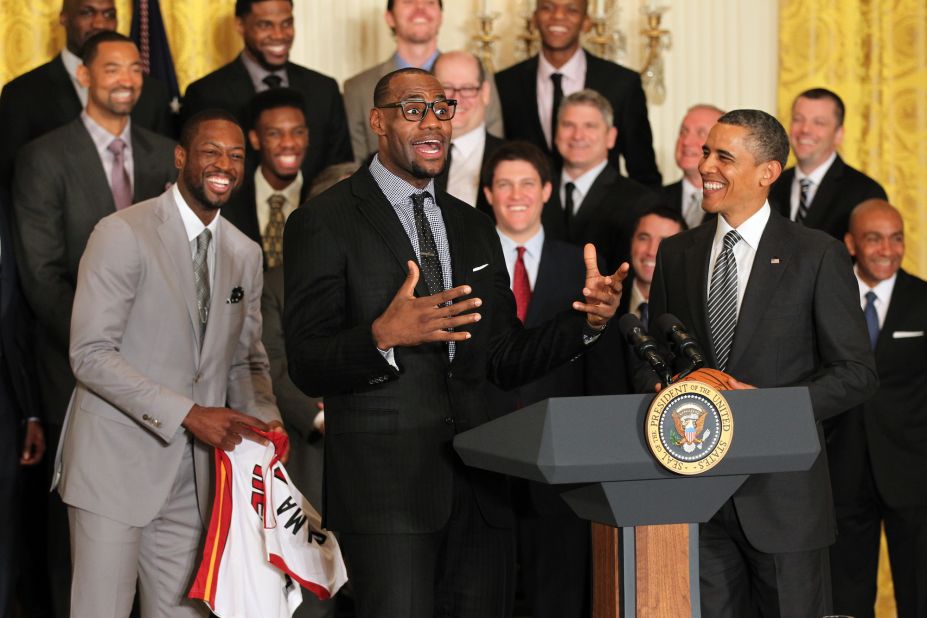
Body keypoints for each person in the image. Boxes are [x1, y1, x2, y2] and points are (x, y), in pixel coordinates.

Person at [282, 67, 626, 618]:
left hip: (480, 491)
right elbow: (306, 362)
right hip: (385, 499)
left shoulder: (472, 225)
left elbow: (504, 358)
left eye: (442, 108)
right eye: (414, 108)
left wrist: (585, 322)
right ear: (377, 121)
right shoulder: (323, 222)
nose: (433, 122)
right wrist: (381, 337)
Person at [639, 109, 878, 617]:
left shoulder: (817, 255)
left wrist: (764, 409)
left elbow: (857, 374)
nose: (706, 166)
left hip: (784, 505)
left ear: (768, 172)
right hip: (694, 499)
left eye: (724, 156)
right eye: (706, 152)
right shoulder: (677, 253)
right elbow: (655, 360)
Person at [55, 109, 283, 617]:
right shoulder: (121, 232)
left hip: (198, 478)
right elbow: (89, 354)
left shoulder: (244, 252)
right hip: (113, 468)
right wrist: (189, 414)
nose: (224, 164)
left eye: (236, 156)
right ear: (181, 157)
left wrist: (268, 427)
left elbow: (246, 361)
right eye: (210, 152)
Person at [11, 31, 177, 617]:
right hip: (74, 373)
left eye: (134, 68)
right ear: (84, 75)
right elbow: (41, 276)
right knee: (80, 543)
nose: (126, 79)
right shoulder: (43, 157)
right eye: (112, 68)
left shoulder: (167, 153)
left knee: (160, 533)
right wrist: (105, 344)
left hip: (162, 379)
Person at [480, 140, 624, 618]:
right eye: (504, 184)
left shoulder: (580, 267)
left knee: (557, 596)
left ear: (545, 191)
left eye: (526, 183)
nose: (515, 194)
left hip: (562, 461)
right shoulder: (467, 265)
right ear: (487, 193)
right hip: (483, 453)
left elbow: (600, 369)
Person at [827, 200, 927, 618]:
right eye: (874, 238)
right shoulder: (826, 298)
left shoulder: (922, 298)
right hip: (841, 470)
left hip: (914, 473)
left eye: (896, 237)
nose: (887, 249)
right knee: (846, 595)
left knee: (920, 592)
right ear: (851, 243)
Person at [0, 0, 172, 190]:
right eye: (87, 13)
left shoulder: (152, 92)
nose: (99, 23)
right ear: (64, 18)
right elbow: (8, 180)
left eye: (109, 15)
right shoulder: (22, 93)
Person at [181, 0, 352, 185]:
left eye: (286, 23)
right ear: (240, 25)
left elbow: (339, 170)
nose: (279, 35)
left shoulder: (324, 90)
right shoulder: (205, 94)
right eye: (265, 25)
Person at [495, 0, 661, 187]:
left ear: (586, 22)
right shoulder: (505, 84)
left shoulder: (622, 84)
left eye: (571, 10)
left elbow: (644, 173)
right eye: (547, 8)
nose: (558, 16)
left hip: (605, 211)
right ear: (534, 18)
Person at [342, 0, 503, 163]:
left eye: (430, 2)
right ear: (389, 17)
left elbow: (495, 152)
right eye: (408, 2)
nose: (420, 8)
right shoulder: (358, 88)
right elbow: (353, 166)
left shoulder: (476, 78)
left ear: (440, 16)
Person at [542, 90, 662, 272]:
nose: (577, 136)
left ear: (611, 137)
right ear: (556, 133)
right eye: (568, 125)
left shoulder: (640, 201)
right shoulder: (533, 192)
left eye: (590, 126)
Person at [0, 190, 44, 618]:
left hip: (6, 404)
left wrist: (31, 410)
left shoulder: (5, 204)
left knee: (6, 531)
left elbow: (13, 315)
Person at [769, 88, 886, 240]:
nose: (805, 129)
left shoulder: (866, 193)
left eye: (819, 122)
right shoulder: (771, 185)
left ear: (839, 135)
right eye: (798, 119)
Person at [222, 87, 310, 269]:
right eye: (274, 134)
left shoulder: (325, 196)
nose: (288, 143)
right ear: (254, 139)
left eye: (298, 132)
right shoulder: (227, 201)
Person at [432, 51, 505, 215]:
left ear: (485, 93)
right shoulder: (400, 160)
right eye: (446, 88)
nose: (456, 99)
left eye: (468, 88)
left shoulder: (513, 160)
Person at [620, 206, 686, 328]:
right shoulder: (609, 299)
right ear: (631, 242)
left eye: (665, 242)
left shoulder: (691, 309)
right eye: (643, 238)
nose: (651, 251)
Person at [663, 104, 724, 228]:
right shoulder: (651, 200)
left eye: (701, 133)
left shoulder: (737, 205)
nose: (686, 141)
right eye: (683, 132)